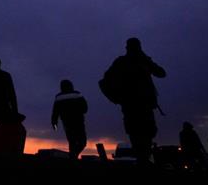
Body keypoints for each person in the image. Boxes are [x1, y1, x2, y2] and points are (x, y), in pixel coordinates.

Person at [103, 37, 166, 165]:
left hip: (141, 105)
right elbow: (104, 82)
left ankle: (143, 159)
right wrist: (117, 98)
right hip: (132, 105)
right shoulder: (123, 62)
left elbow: (161, 73)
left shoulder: (141, 61)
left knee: (144, 134)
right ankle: (143, 160)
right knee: (138, 134)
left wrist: (146, 59)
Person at [50, 79, 88, 159]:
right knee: (82, 142)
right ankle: (73, 156)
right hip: (79, 121)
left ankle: (72, 157)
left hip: (66, 123)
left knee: (72, 142)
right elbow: (85, 108)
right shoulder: (77, 94)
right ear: (71, 85)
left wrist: (54, 124)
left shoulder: (58, 97)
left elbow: (55, 112)